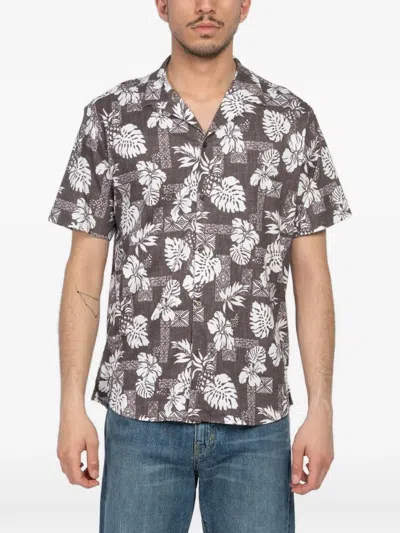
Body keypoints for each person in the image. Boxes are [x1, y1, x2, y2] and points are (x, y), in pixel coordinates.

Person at [48, 1, 352, 532]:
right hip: (140, 418)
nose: (205, 6)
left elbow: (312, 276)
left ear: (245, 5)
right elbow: (84, 272)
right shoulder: (112, 117)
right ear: (161, 5)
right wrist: (70, 406)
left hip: (256, 423)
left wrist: (321, 408)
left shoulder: (290, 121)